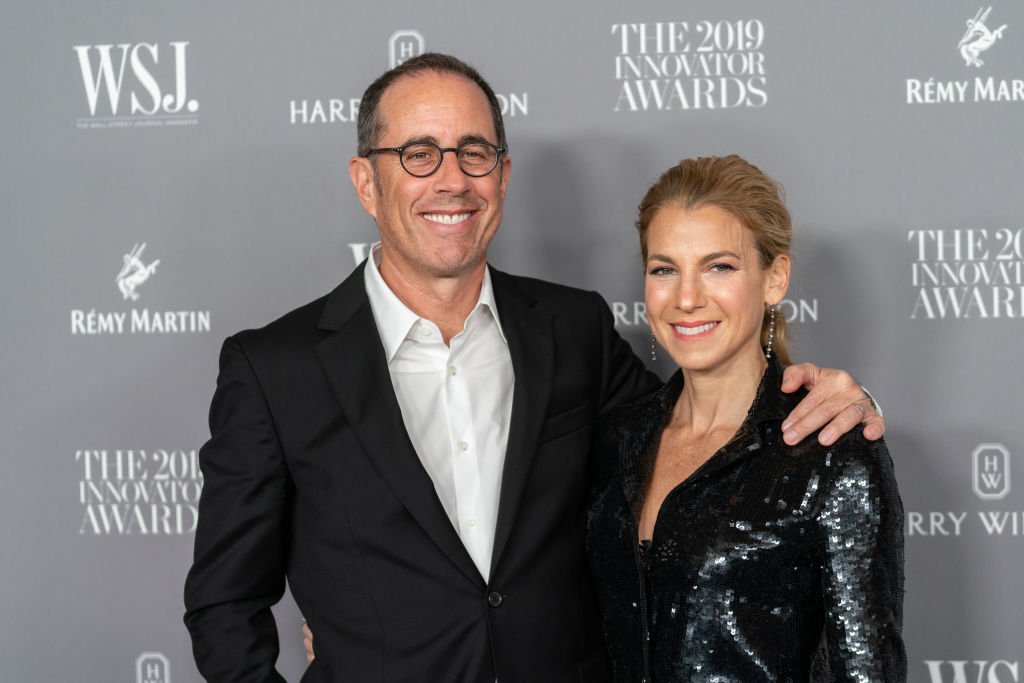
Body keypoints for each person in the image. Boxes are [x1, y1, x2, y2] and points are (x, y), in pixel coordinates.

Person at [184, 53, 883, 682]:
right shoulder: (275, 369)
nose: (452, 179)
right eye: (419, 154)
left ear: (504, 174)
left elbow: (703, 436)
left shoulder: (572, 329)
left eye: (475, 152)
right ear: (367, 182)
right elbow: (224, 606)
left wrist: (839, 397)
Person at [585, 155, 905, 681]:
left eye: (719, 267)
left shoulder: (832, 453)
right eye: (664, 269)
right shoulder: (616, 439)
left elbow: (868, 671)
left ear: (774, 279)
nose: (687, 298)